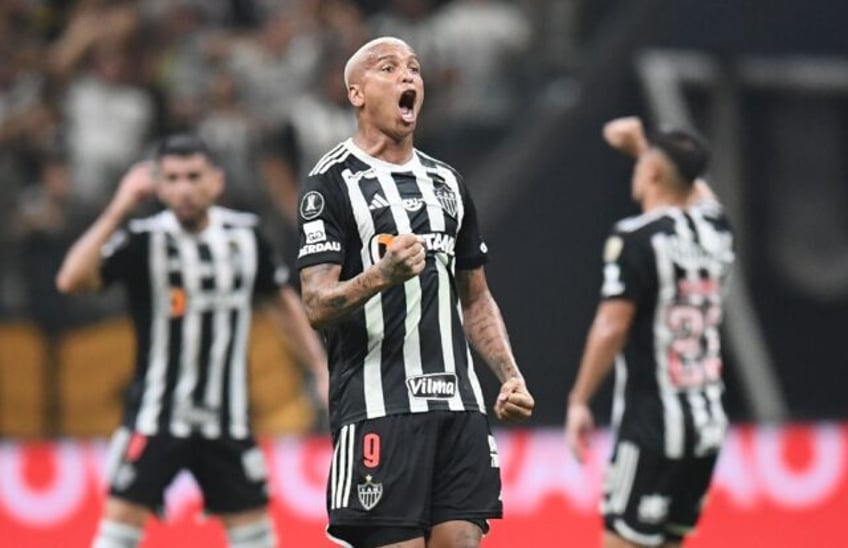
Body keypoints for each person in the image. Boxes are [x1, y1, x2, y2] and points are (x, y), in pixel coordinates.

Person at [296, 36, 535, 548]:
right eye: (389, 68)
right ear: (357, 94)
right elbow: (316, 303)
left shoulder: (447, 182)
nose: (408, 77)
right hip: (380, 409)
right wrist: (381, 275)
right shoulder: (331, 183)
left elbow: (475, 297)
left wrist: (509, 375)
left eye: (415, 68)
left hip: (459, 408)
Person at [55, 134, 328, 548]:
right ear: (159, 186)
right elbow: (72, 279)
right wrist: (119, 207)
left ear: (216, 181)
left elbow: (285, 305)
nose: (183, 188)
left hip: (227, 420)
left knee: (257, 539)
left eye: (193, 176)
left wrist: (320, 368)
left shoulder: (245, 237)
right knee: (115, 536)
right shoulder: (144, 239)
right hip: (156, 416)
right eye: (173, 178)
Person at [565, 117, 735, 547]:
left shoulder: (635, 237)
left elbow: (611, 325)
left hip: (652, 426)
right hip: (706, 424)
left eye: (644, 164)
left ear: (654, 172)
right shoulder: (717, 230)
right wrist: (644, 147)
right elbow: (695, 188)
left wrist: (579, 399)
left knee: (624, 538)